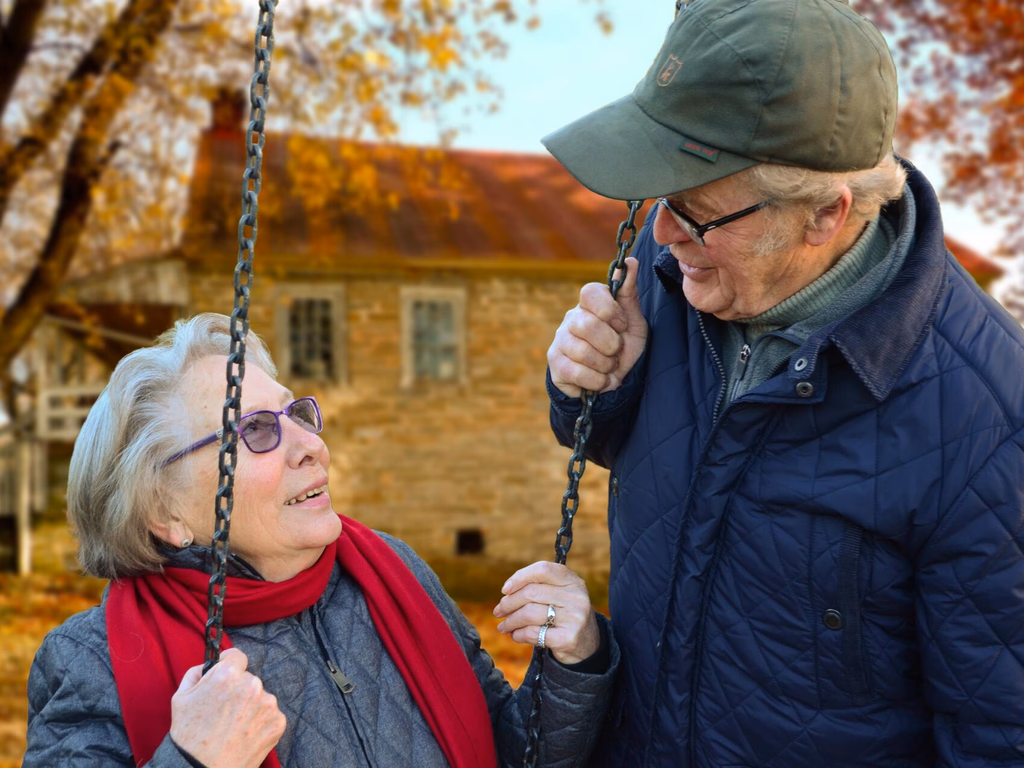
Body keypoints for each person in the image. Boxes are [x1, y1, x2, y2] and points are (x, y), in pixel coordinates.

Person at [543, 0, 1024, 766]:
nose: (663, 234)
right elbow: (620, 443)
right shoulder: (680, 267)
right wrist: (592, 384)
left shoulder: (990, 422)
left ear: (825, 215)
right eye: (659, 201)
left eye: (695, 214)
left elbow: (1001, 735)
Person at [25, 313, 617, 768]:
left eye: (297, 415)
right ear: (164, 512)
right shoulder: (91, 659)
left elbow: (509, 751)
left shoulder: (392, 574)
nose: (309, 444)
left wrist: (571, 662)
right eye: (255, 431)